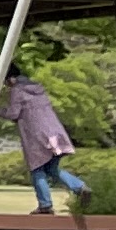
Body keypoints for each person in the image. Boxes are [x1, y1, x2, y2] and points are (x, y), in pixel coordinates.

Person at [11, 73, 88, 214]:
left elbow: (13, 113)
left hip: (37, 137)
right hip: (55, 133)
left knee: (37, 169)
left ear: (10, 78)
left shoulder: (17, 90)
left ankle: (45, 205)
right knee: (52, 169)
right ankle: (80, 187)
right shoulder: (38, 89)